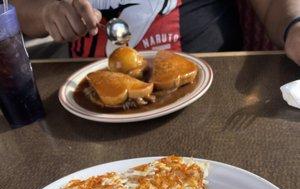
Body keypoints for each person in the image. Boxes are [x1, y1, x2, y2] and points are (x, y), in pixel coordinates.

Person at [12, 0, 300, 65]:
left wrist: (294, 27)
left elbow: (275, 3)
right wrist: (46, 11)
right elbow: (16, 8)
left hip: (210, 92)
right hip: (90, 98)